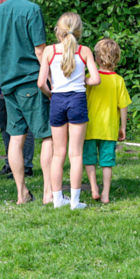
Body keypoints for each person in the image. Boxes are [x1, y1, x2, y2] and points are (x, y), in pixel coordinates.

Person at [0, 0, 52, 205]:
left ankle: (21, 193)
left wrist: (9, 48)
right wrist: (50, 80)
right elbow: (39, 50)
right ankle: (48, 193)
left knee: (16, 136)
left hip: (7, 83)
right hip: (30, 81)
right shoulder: (32, 9)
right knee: (48, 136)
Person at [37, 12, 101, 210]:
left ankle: (57, 200)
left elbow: (41, 83)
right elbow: (96, 80)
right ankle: (74, 202)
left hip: (57, 100)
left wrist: (51, 93)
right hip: (77, 100)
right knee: (76, 154)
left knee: (58, 154)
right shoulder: (84, 51)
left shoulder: (50, 51)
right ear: (79, 30)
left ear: (59, 30)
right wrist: (82, 80)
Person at [0, 0, 36, 179]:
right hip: (1, 76)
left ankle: (26, 164)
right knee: (5, 123)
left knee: (25, 122)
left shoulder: (23, 12)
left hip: (22, 77)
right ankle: (10, 163)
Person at [83, 38, 131, 203]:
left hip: (89, 127)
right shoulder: (118, 80)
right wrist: (123, 127)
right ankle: (106, 194)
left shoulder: (89, 77)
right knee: (107, 163)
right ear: (117, 58)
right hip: (109, 129)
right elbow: (123, 106)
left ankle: (94, 188)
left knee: (88, 159)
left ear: (96, 58)